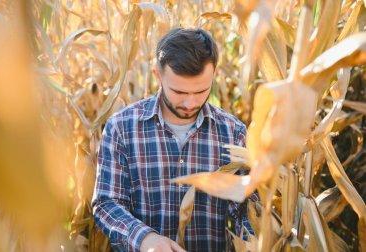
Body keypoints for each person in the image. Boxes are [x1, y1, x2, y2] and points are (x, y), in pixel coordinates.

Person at [92, 27, 257, 252]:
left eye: (200, 91)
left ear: (214, 74)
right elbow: (106, 203)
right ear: (157, 75)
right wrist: (145, 238)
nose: (190, 103)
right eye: (179, 92)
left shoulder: (233, 133)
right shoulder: (121, 128)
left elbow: (247, 211)